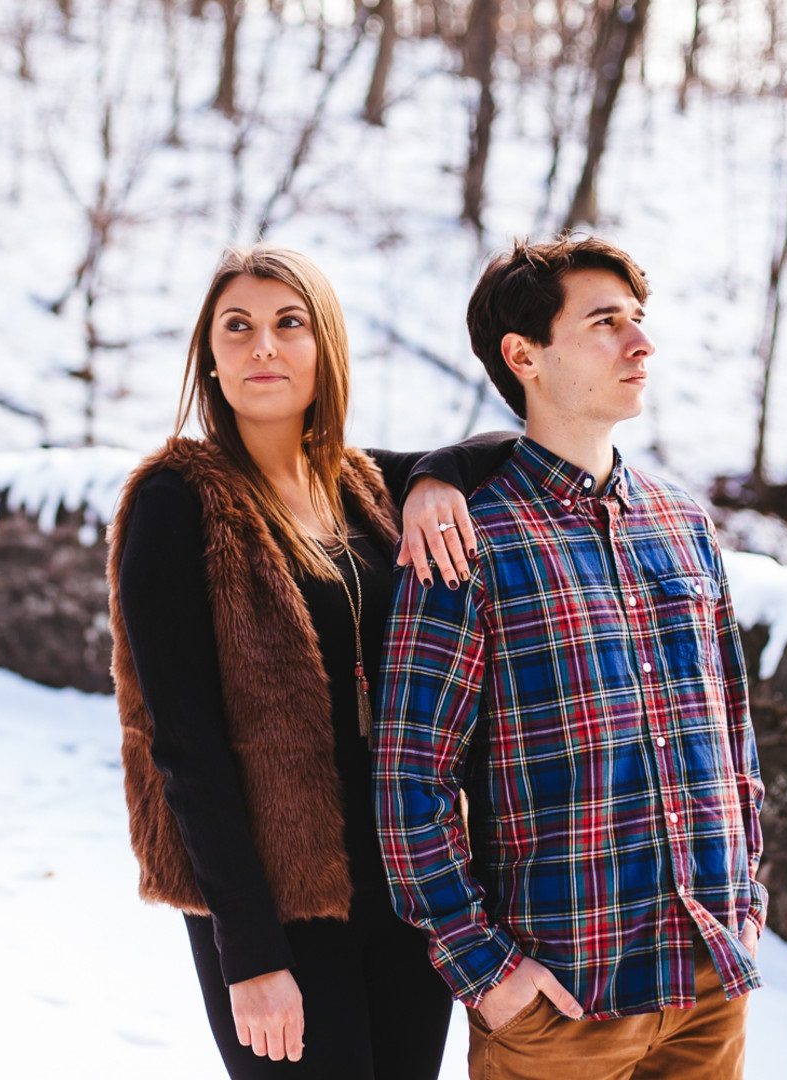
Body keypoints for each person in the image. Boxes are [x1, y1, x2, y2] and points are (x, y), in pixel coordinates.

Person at [108, 245, 515, 1078]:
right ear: (210, 362)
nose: (263, 346)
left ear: (324, 348)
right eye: (238, 328)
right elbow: (183, 746)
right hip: (278, 903)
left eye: (289, 324)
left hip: (406, 890)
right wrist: (249, 955)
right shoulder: (178, 502)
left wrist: (435, 478)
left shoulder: (362, 486)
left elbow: (504, 451)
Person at [373, 235, 768, 1080]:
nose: (641, 344)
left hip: (708, 984)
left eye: (638, 319)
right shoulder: (466, 541)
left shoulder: (684, 524)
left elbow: (733, 733)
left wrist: (746, 901)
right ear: (526, 356)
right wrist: (484, 969)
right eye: (605, 323)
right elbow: (411, 781)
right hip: (561, 1003)